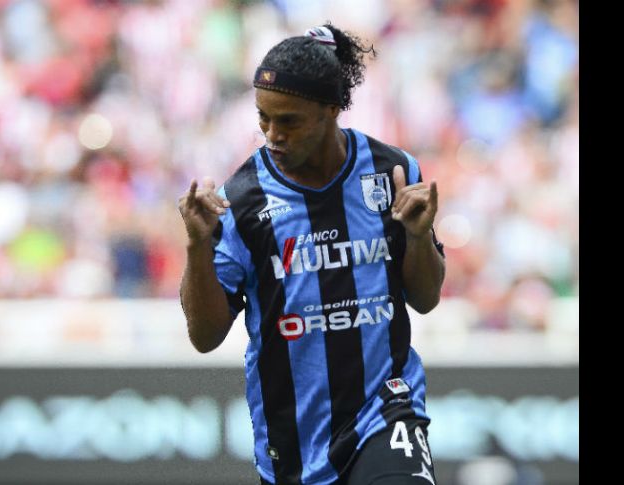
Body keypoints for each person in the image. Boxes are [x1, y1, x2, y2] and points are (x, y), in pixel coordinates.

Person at [178, 23, 446, 485]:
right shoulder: (241, 201)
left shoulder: (394, 173)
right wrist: (197, 247)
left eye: (288, 121)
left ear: (331, 109)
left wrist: (419, 238)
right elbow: (205, 337)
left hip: (386, 409)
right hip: (295, 437)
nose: (272, 135)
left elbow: (425, 299)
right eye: (263, 118)